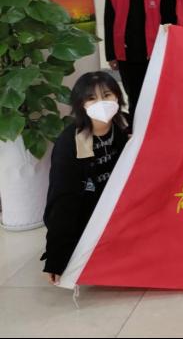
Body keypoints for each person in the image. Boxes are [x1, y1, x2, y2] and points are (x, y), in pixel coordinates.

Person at [42, 72, 130, 285]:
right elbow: (63, 201)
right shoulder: (70, 143)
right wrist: (56, 258)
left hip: (121, 207)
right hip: (87, 214)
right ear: (81, 105)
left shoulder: (125, 126)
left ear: (117, 97)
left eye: (107, 95)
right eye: (91, 98)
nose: (101, 103)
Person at [104, 0, 176, 117]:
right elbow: (109, 22)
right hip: (126, 53)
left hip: (153, 52)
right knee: (133, 95)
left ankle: (156, 126)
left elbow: (169, 21)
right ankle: (135, 127)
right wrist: (111, 54)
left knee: (155, 93)